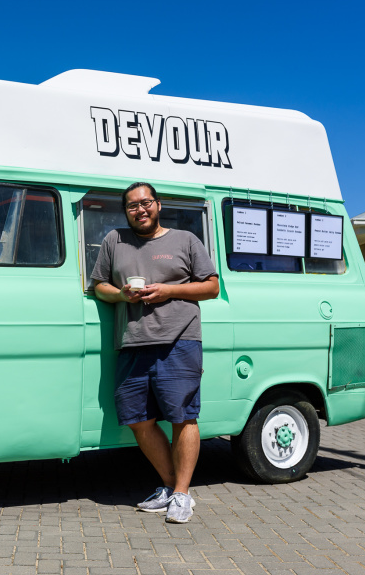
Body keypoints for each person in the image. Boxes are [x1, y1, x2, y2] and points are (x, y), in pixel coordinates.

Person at [91, 182, 219, 524]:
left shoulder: (185, 240)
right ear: (126, 211)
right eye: (132, 206)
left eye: (145, 203)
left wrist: (168, 291)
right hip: (132, 342)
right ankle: (168, 487)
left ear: (158, 205)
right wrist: (120, 296)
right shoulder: (114, 240)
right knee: (138, 420)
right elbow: (98, 285)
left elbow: (211, 286)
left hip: (180, 341)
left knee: (183, 417)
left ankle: (182, 494)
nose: (140, 210)